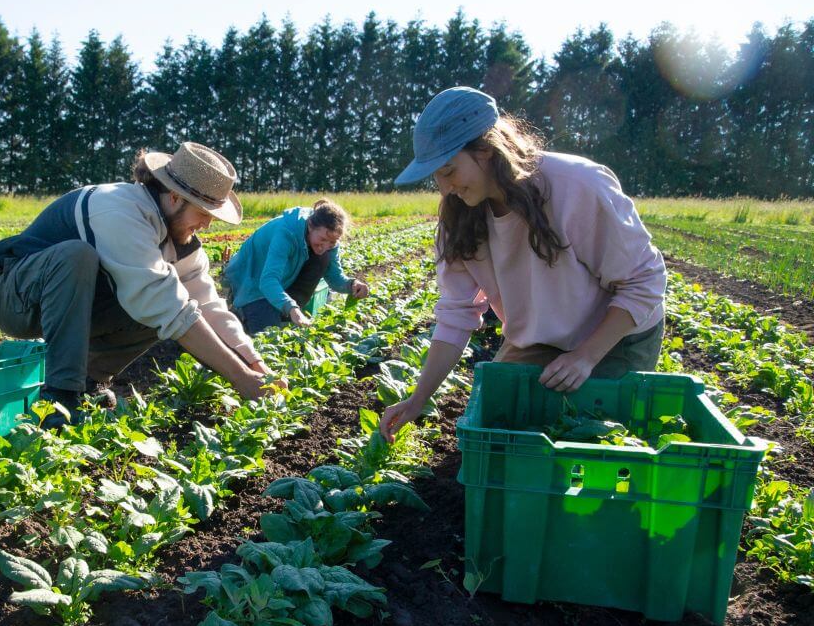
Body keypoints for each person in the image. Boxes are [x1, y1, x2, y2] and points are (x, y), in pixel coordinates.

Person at [380, 86, 666, 441]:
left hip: (616, 334)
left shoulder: (576, 186)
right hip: (539, 335)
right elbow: (456, 314)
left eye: (449, 170)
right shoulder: (458, 219)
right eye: (436, 176)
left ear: (485, 150)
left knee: (591, 436)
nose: (444, 187)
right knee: (501, 432)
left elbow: (645, 281)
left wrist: (585, 356)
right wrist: (418, 398)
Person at [0, 141, 279, 428]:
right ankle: (60, 397)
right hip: (17, 298)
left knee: (171, 303)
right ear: (174, 197)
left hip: (74, 304)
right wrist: (239, 379)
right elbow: (165, 303)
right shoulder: (118, 208)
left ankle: (89, 379)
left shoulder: (182, 242)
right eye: (203, 213)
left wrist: (253, 363)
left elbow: (208, 305)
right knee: (81, 258)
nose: (207, 225)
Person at [222, 199, 370, 335]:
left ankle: (284, 311)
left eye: (332, 242)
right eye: (323, 239)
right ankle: (241, 310)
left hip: (278, 280)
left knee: (322, 258)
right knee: (267, 337)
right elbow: (268, 280)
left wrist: (352, 285)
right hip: (250, 282)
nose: (326, 246)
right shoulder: (286, 233)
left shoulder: (329, 242)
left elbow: (335, 277)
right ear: (311, 226)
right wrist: (292, 308)